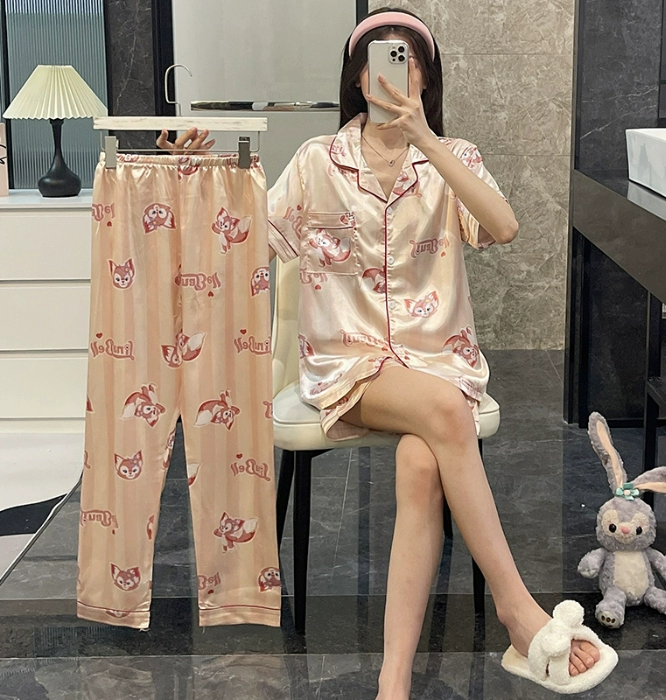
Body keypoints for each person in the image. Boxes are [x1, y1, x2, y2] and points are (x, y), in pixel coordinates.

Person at [158, 7, 603, 699]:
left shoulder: (453, 158)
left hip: (439, 362)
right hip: (348, 365)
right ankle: (519, 613)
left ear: (426, 78)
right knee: (445, 414)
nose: (395, 72)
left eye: (410, 59)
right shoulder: (317, 161)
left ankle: (392, 682)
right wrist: (198, 174)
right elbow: (242, 246)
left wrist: (427, 140)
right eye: (380, 59)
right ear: (358, 79)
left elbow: (505, 226)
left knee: (422, 463)